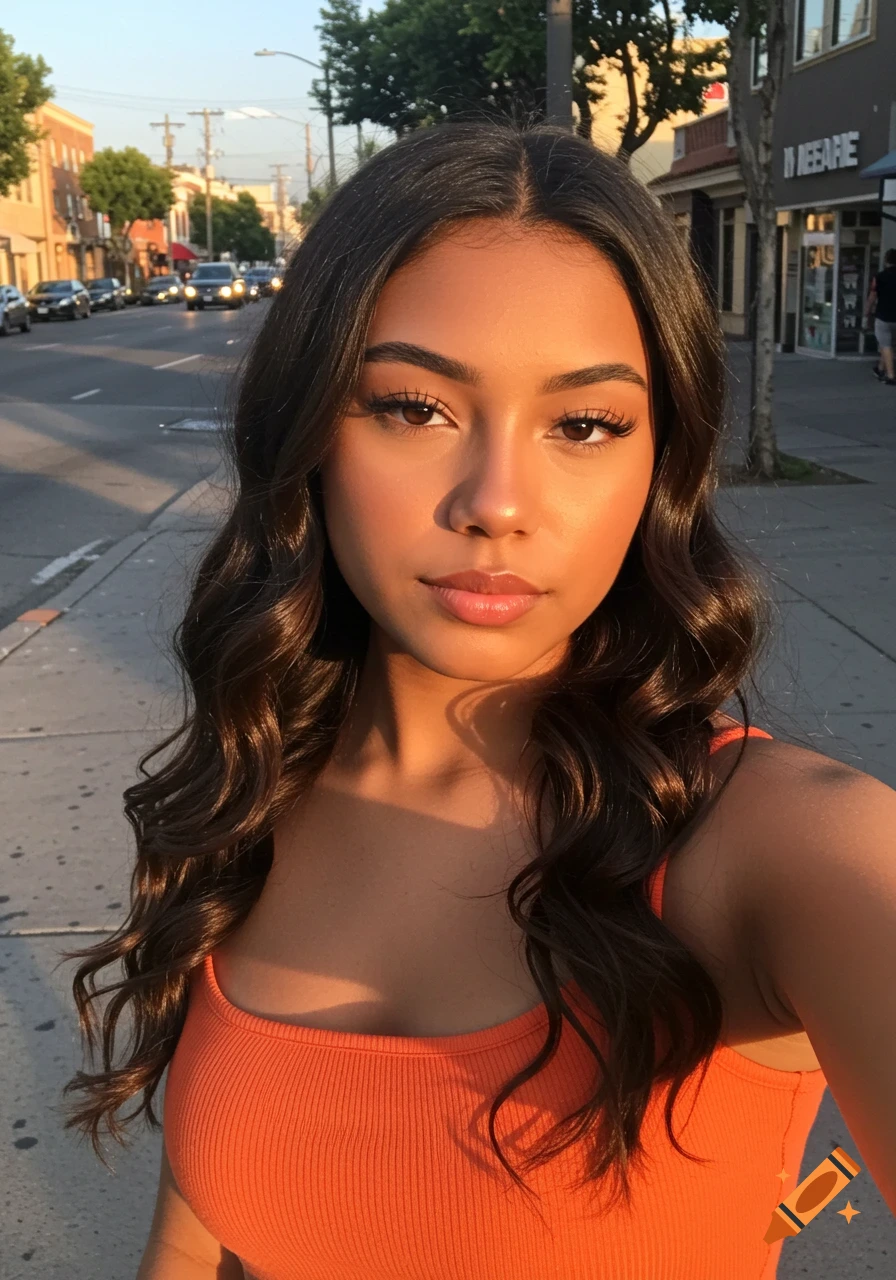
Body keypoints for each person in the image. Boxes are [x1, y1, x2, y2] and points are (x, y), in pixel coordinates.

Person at [63, 122, 896, 1279]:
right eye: (412, 406)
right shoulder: (256, 789)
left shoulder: (778, 851)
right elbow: (193, 1238)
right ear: (306, 432)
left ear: (659, 459)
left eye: (584, 423)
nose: (495, 501)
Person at [865, 247, 896, 384]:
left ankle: (890, 376)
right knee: (888, 345)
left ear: (885, 261)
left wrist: (867, 312)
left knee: (885, 345)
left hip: (883, 316)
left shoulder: (879, 277)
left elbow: (872, 296)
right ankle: (880, 368)